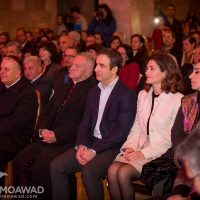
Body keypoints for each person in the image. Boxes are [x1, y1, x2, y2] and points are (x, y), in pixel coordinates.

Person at [50, 48, 137, 200]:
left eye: (102, 66)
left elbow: (121, 132)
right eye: (96, 64)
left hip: (112, 147)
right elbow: (85, 122)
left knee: (89, 171)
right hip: (91, 142)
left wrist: (94, 150)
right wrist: (81, 145)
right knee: (57, 166)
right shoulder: (93, 92)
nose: (96, 69)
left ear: (115, 69)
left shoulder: (126, 94)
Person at [13, 52, 97, 200]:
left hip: (68, 140)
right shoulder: (65, 86)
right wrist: (42, 129)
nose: (71, 67)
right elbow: (46, 111)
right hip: (48, 135)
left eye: (77, 65)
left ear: (88, 71)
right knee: (20, 159)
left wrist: (56, 135)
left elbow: (84, 122)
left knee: (44, 165)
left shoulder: (92, 91)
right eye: (72, 64)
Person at [107, 50, 184, 200]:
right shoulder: (143, 95)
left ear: (165, 72)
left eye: (152, 68)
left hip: (158, 153)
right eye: (147, 67)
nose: (146, 71)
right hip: (139, 146)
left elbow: (169, 139)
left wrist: (142, 153)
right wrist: (130, 147)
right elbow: (136, 127)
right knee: (112, 170)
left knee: (123, 172)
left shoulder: (178, 99)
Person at [147, 61, 200, 200]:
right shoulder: (188, 101)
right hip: (183, 163)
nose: (190, 76)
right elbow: (176, 133)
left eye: (197, 72)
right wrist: (179, 191)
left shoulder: (178, 99)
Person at [0, 55, 38, 175]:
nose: (2, 72)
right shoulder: (2, 86)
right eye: (1, 68)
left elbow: (15, 123)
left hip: (15, 139)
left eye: (6, 69)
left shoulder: (27, 93)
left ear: (17, 73)